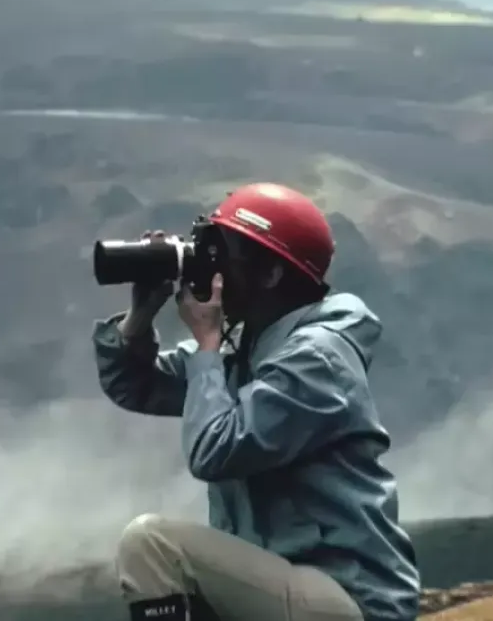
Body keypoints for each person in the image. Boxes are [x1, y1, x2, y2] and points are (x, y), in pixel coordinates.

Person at [92, 182, 420, 621]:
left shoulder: (317, 360)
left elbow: (216, 452)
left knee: (152, 546)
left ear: (270, 275)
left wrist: (206, 345)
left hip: (348, 600)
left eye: (223, 253)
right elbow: (134, 385)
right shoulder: (248, 351)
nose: (212, 270)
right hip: (289, 589)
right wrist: (141, 314)